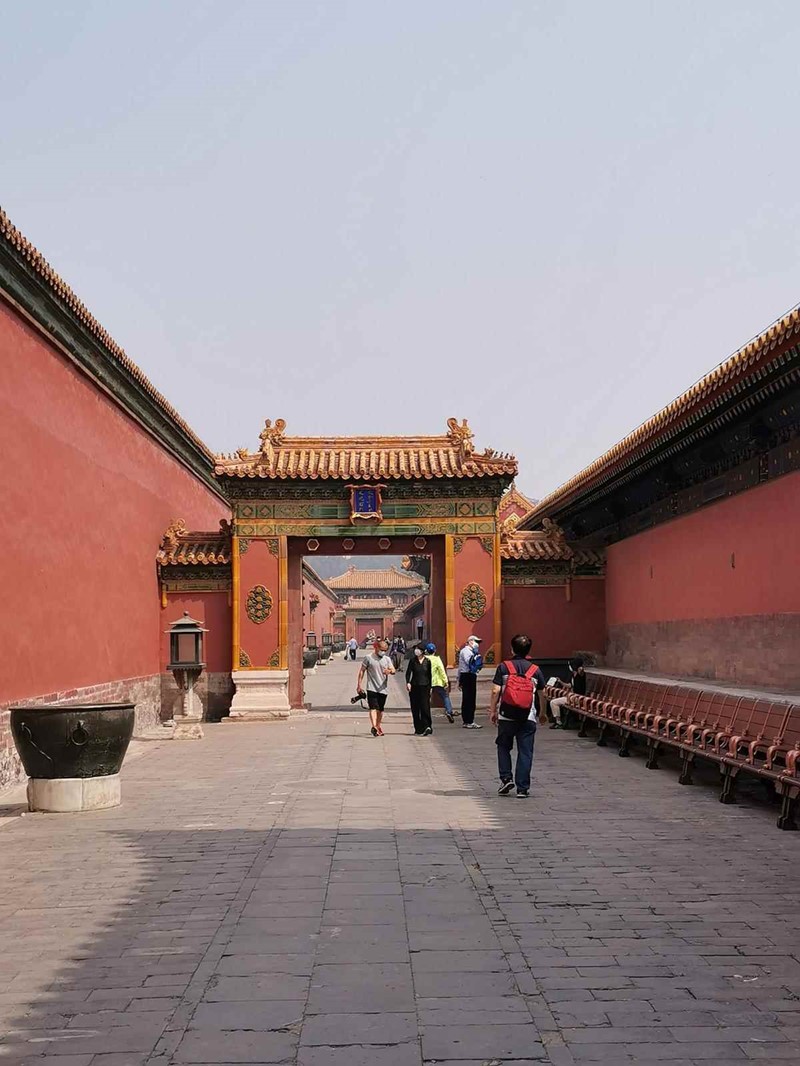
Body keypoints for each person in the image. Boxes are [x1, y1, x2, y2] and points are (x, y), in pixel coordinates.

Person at [489, 634, 546, 798]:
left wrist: (493, 711)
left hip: (506, 716)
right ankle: (522, 788)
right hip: (527, 716)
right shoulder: (535, 670)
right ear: (529, 650)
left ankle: (506, 778)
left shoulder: (504, 667)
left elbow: (495, 691)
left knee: (503, 746)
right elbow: (542, 694)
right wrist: (542, 713)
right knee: (525, 751)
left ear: (512, 649)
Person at [357, 638, 396, 737]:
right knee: (373, 708)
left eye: (385, 651)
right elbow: (362, 671)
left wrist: (390, 671)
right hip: (371, 687)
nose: (383, 652)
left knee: (380, 710)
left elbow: (393, 670)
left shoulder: (387, 659)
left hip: (383, 688)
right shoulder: (368, 658)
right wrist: (359, 685)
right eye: (381, 650)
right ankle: (374, 726)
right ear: (376, 647)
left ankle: (378, 726)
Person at [549, 658, 586, 728]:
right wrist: (560, 682)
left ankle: (561, 722)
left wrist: (579, 668)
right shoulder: (573, 675)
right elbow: (570, 685)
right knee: (553, 702)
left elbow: (581, 671)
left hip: (578, 698)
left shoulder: (580, 674)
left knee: (566, 699)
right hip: (571, 697)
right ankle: (558, 721)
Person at [406, 644, 433, 736]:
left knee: (425, 707)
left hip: (425, 686)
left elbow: (430, 675)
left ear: (423, 651)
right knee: (415, 708)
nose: (416, 651)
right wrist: (408, 682)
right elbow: (408, 673)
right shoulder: (413, 661)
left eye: (418, 649)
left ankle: (427, 726)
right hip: (414, 686)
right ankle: (418, 728)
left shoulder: (428, 662)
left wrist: (431, 687)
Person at [457, 635, 483, 728]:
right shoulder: (466, 651)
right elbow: (470, 663)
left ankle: (469, 720)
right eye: (476, 641)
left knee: (471, 699)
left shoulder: (471, 652)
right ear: (471, 641)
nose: (477, 644)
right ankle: (468, 721)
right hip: (467, 675)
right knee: (468, 699)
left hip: (470, 675)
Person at [425, 642, 454, 723]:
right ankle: (449, 711)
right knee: (445, 696)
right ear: (434, 651)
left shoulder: (424, 659)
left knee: (426, 698)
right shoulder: (437, 659)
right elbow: (441, 671)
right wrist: (445, 681)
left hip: (427, 682)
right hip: (437, 681)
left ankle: (425, 713)